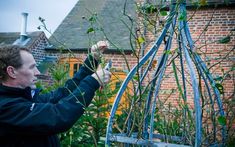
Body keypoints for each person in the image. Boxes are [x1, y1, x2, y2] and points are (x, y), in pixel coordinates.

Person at [0, 41, 111, 146]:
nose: (38, 72)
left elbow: (64, 93)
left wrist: (93, 59)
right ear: (12, 72)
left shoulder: (27, 98)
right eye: (32, 67)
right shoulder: (6, 108)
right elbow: (58, 115)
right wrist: (91, 83)